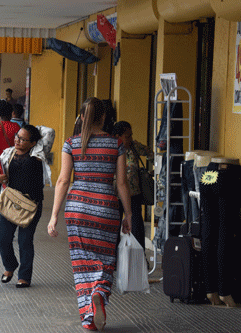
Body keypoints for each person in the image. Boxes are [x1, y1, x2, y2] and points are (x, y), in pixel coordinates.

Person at [47, 97, 132, 331]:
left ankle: (88, 318)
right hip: (105, 208)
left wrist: (53, 215)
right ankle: (99, 291)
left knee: (82, 263)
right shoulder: (116, 144)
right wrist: (129, 215)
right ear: (104, 117)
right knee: (105, 260)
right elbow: (122, 184)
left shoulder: (71, 143)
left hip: (77, 208)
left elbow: (63, 180)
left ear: (82, 117)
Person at [0, 125, 44, 288]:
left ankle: (24, 277)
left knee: (25, 240)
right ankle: (10, 266)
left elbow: (49, 132)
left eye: (22, 139)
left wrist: (35, 128)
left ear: (33, 142)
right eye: (16, 136)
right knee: (2, 238)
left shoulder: (39, 154)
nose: (17, 140)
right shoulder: (8, 152)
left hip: (31, 204)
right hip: (10, 202)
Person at [112, 121, 154, 250]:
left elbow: (150, 153)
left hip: (133, 194)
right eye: (127, 136)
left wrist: (154, 170)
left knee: (137, 227)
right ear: (118, 136)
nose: (130, 139)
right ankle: (115, 259)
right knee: (115, 228)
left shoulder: (134, 147)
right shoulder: (111, 149)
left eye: (131, 135)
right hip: (116, 195)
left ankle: (139, 256)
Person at [0, 100, 21, 240]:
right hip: (14, 164)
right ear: (11, 112)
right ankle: (9, 223)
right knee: (12, 194)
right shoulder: (17, 127)